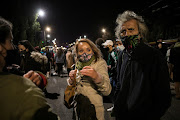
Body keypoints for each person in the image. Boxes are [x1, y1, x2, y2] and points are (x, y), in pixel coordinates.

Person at [114, 10, 171, 120]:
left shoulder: (154, 56)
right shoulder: (122, 55)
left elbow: (163, 96)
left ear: (140, 33)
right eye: (123, 31)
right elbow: (119, 85)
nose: (127, 34)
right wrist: (117, 105)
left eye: (131, 30)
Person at [0, 17, 60, 120]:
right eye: (10, 41)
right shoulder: (23, 91)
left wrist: (39, 77)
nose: (13, 47)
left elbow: (33, 72)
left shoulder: (33, 56)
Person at [68, 38, 112, 120]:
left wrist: (97, 77)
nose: (85, 53)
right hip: (78, 108)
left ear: (93, 50)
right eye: (81, 51)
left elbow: (107, 90)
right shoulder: (77, 64)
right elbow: (74, 86)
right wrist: (71, 80)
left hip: (94, 110)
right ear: (77, 53)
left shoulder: (99, 63)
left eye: (88, 50)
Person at [102, 39, 118, 112]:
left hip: (113, 75)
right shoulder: (110, 52)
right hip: (112, 74)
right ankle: (115, 105)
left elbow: (117, 63)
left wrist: (111, 67)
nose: (105, 47)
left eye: (106, 46)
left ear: (110, 46)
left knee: (112, 90)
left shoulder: (113, 53)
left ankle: (116, 105)